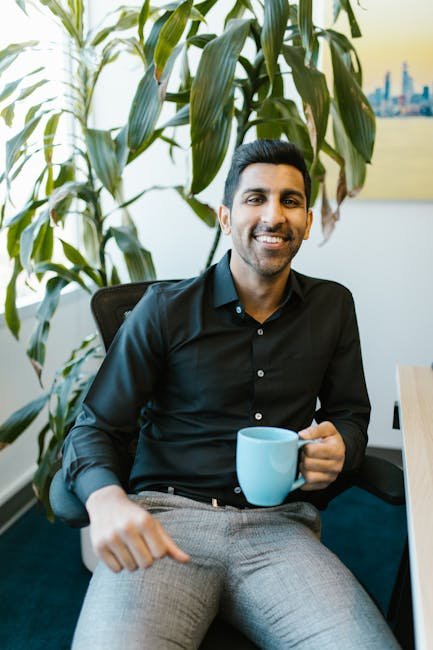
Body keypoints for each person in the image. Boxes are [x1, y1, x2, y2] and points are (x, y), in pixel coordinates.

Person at [64, 140, 399, 649]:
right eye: (255, 198)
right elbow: (94, 426)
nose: (274, 215)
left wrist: (344, 448)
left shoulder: (332, 307)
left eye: (290, 201)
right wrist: (107, 499)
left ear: (307, 220)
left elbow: (349, 414)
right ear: (225, 216)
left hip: (279, 529)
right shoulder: (164, 310)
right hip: (166, 522)